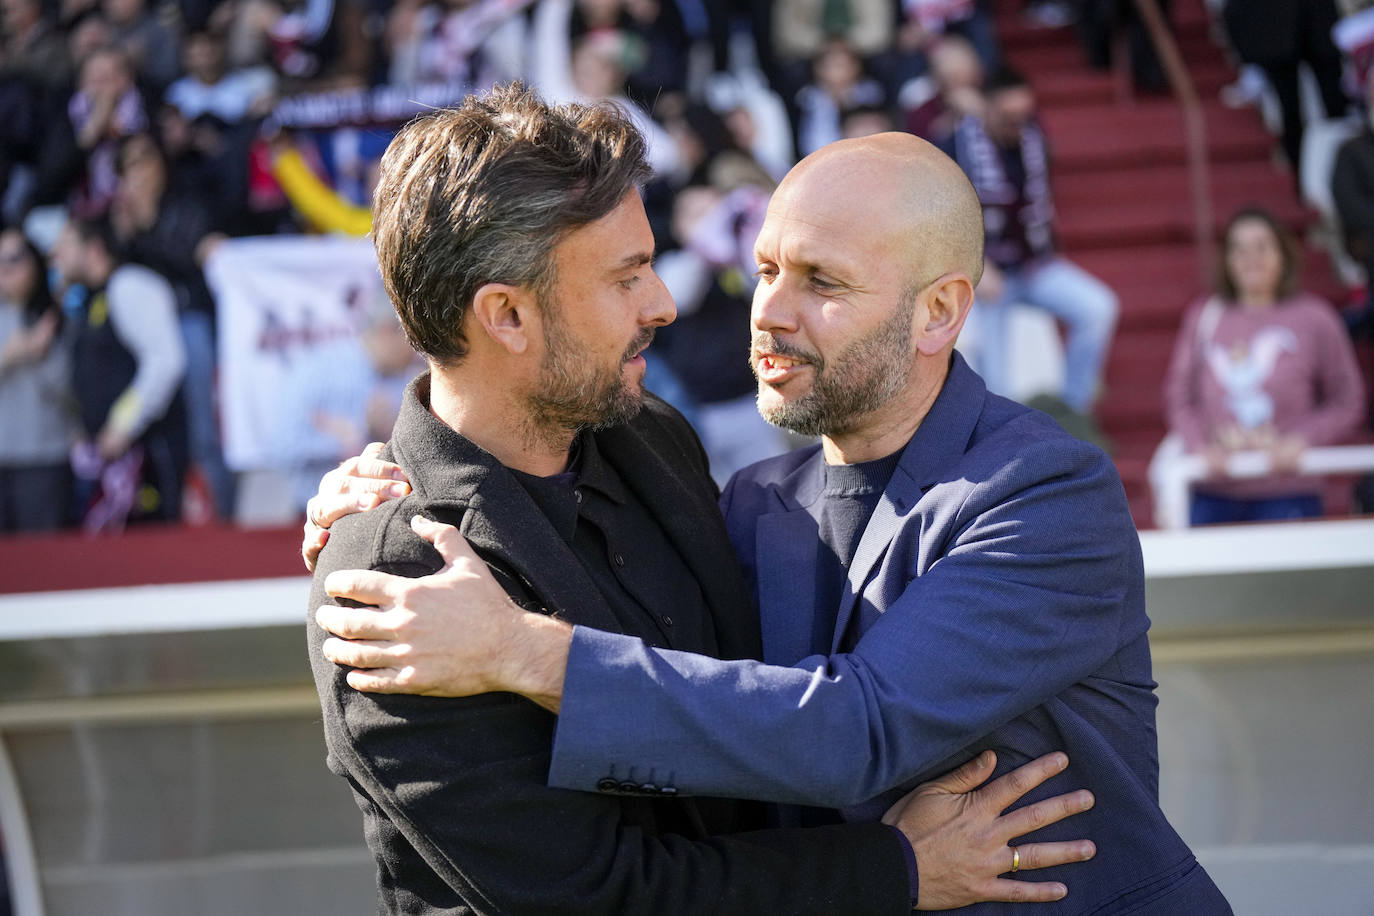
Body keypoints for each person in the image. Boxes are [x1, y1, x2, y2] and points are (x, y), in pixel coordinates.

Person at [309, 130, 1231, 913]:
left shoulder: (1045, 493)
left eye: (821, 282)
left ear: (939, 311)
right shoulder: (739, 502)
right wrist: (398, 472)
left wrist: (525, 652)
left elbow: (855, 733)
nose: (767, 314)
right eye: (764, 269)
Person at [1162, 207, 1365, 526]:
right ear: (1226, 259)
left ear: (1283, 254)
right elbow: (1179, 397)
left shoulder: (1315, 318)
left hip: (1288, 490)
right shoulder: (1204, 317)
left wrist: (1304, 439)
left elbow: (1347, 399)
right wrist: (1199, 446)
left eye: (1262, 246)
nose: (1250, 258)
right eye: (1239, 248)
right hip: (1215, 492)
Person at [952, 66, 1119, 415]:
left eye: (1023, 115)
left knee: (1098, 308)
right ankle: (999, 448)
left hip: (1035, 265)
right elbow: (940, 216)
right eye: (1008, 116)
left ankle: (1074, 409)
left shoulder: (1034, 139)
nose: (1017, 124)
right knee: (996, 385)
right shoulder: (955, 144)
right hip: (984, 274)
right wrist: (975, 263)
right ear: (985, 107)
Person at [52, 216, 187, 530]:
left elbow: (165, 362)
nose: (56, 252)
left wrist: (123, 423)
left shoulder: (130, 286)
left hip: (145, 456)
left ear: (94, 249)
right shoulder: (82, 299)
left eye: (66, 243)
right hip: (101, 460)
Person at [0, 228, 72, 532]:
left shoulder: (58, 316)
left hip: (44, 461)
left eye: (15, 258)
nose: (5, 268)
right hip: (3, 460)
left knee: (43, 563)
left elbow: (73, 395)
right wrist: (9, 357)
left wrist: (42, 357)